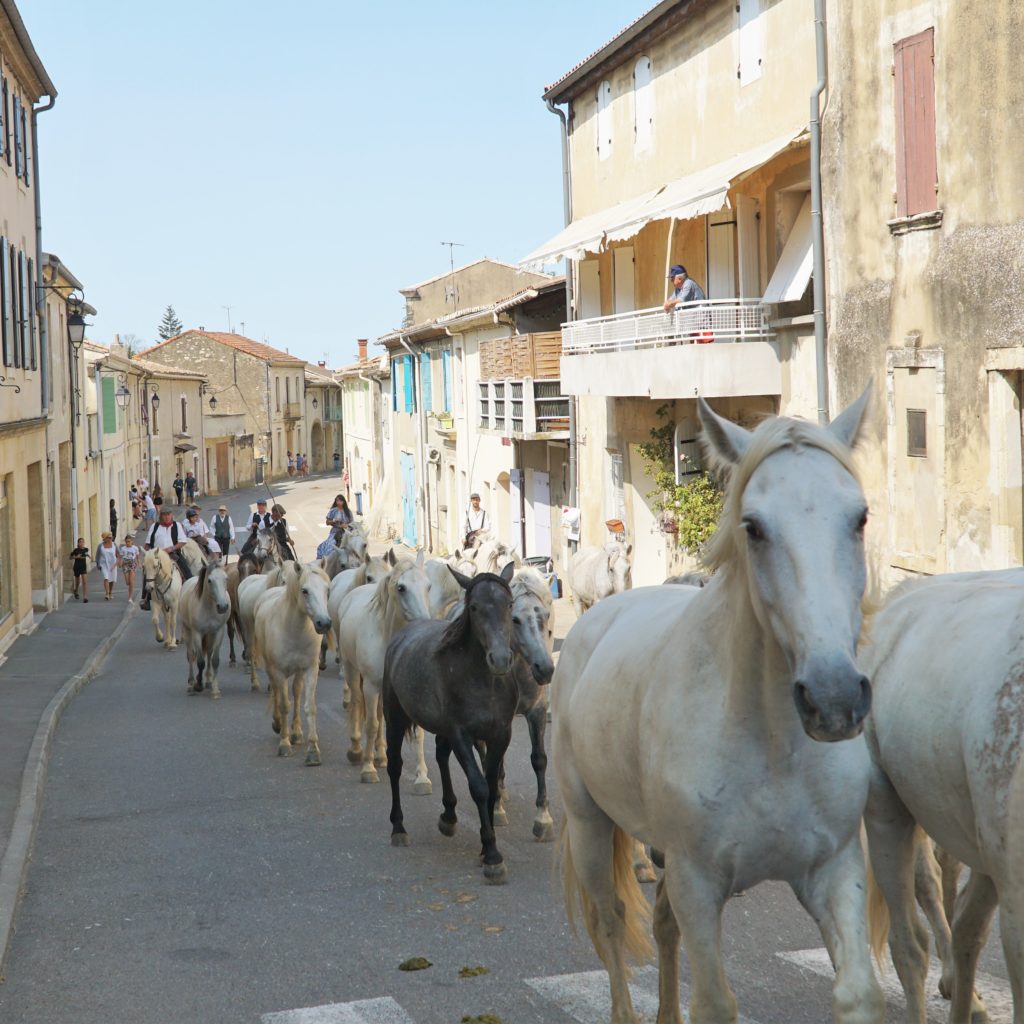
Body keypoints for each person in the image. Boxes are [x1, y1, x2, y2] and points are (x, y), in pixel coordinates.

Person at [141, 508, 191, 610]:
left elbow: (182, 541)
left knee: (186, 570)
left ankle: (189, 594)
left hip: (173, 554)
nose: (167, 517)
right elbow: (148, 543)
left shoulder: (177, 526)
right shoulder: (154, 527)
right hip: (156, 556)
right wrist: (145, 553)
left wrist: (171, 548)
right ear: (161, 516)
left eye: (169, 514)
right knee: (147, 573)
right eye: (165, 515)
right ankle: (146, 598)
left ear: (171, 515)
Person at [96, 532, 120, 601]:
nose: (110, 539)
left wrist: (119, 561)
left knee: (111, 579)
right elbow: (97, 555)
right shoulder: (100, 546)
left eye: (111, 537)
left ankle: (110, 592)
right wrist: (98, 564)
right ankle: (107, 593)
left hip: (113, 565)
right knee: (106, 578)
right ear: (105, 538)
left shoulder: (114, 545)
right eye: (109, 538)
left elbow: (119, 553)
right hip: (103, 564)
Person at [119, 534, 140, 603]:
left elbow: (137, 557)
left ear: (132, 541)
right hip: (125, 565)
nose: (128, 543)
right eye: (126, 542)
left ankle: (130, 597)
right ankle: (130, 588)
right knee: (127, 582)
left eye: (129, 541)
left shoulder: (135, 548)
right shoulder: (123, 548)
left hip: (132, 564)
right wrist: (120, 563)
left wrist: (139, 564)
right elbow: (121, 557)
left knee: (131, 581)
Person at [69, 538, 90, 602]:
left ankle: (85, 597)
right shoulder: (76, 550)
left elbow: (86, 554)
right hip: (77, 567)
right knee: (78, 582)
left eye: (83, 542)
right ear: (78, 543)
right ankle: (76, 590)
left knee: (85, 582)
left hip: (83, 567)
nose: (82, 543)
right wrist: (76, 557)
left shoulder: (86, 549)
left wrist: (89, 556)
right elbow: (70, 557)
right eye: (80, 542)